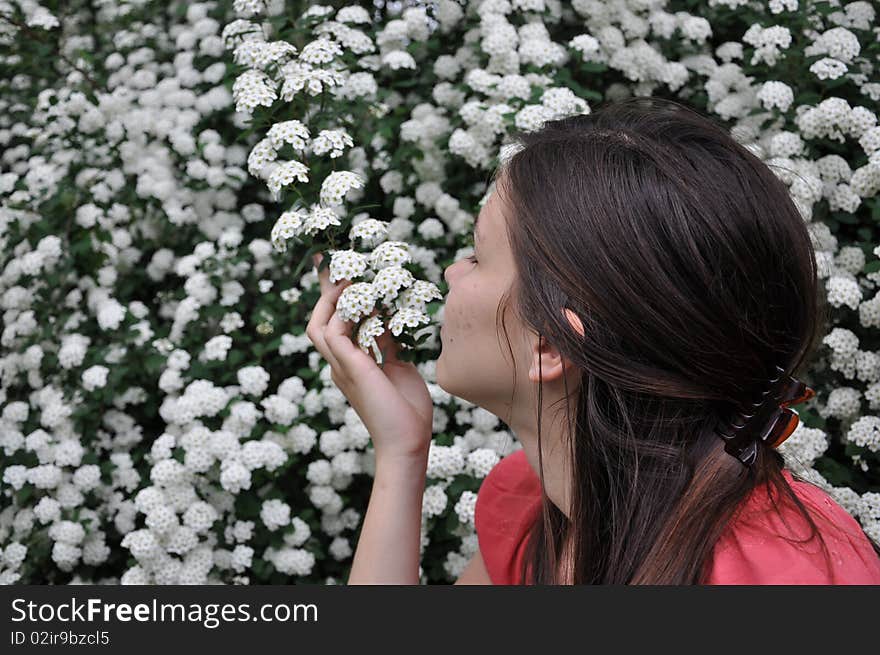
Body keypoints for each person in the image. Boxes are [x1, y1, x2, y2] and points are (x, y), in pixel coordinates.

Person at [305, 96, 880, 584]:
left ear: (553, 346)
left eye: (478, 257)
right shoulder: (534, 504)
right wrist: (402, 453)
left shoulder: (776, 575)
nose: (452, 273)